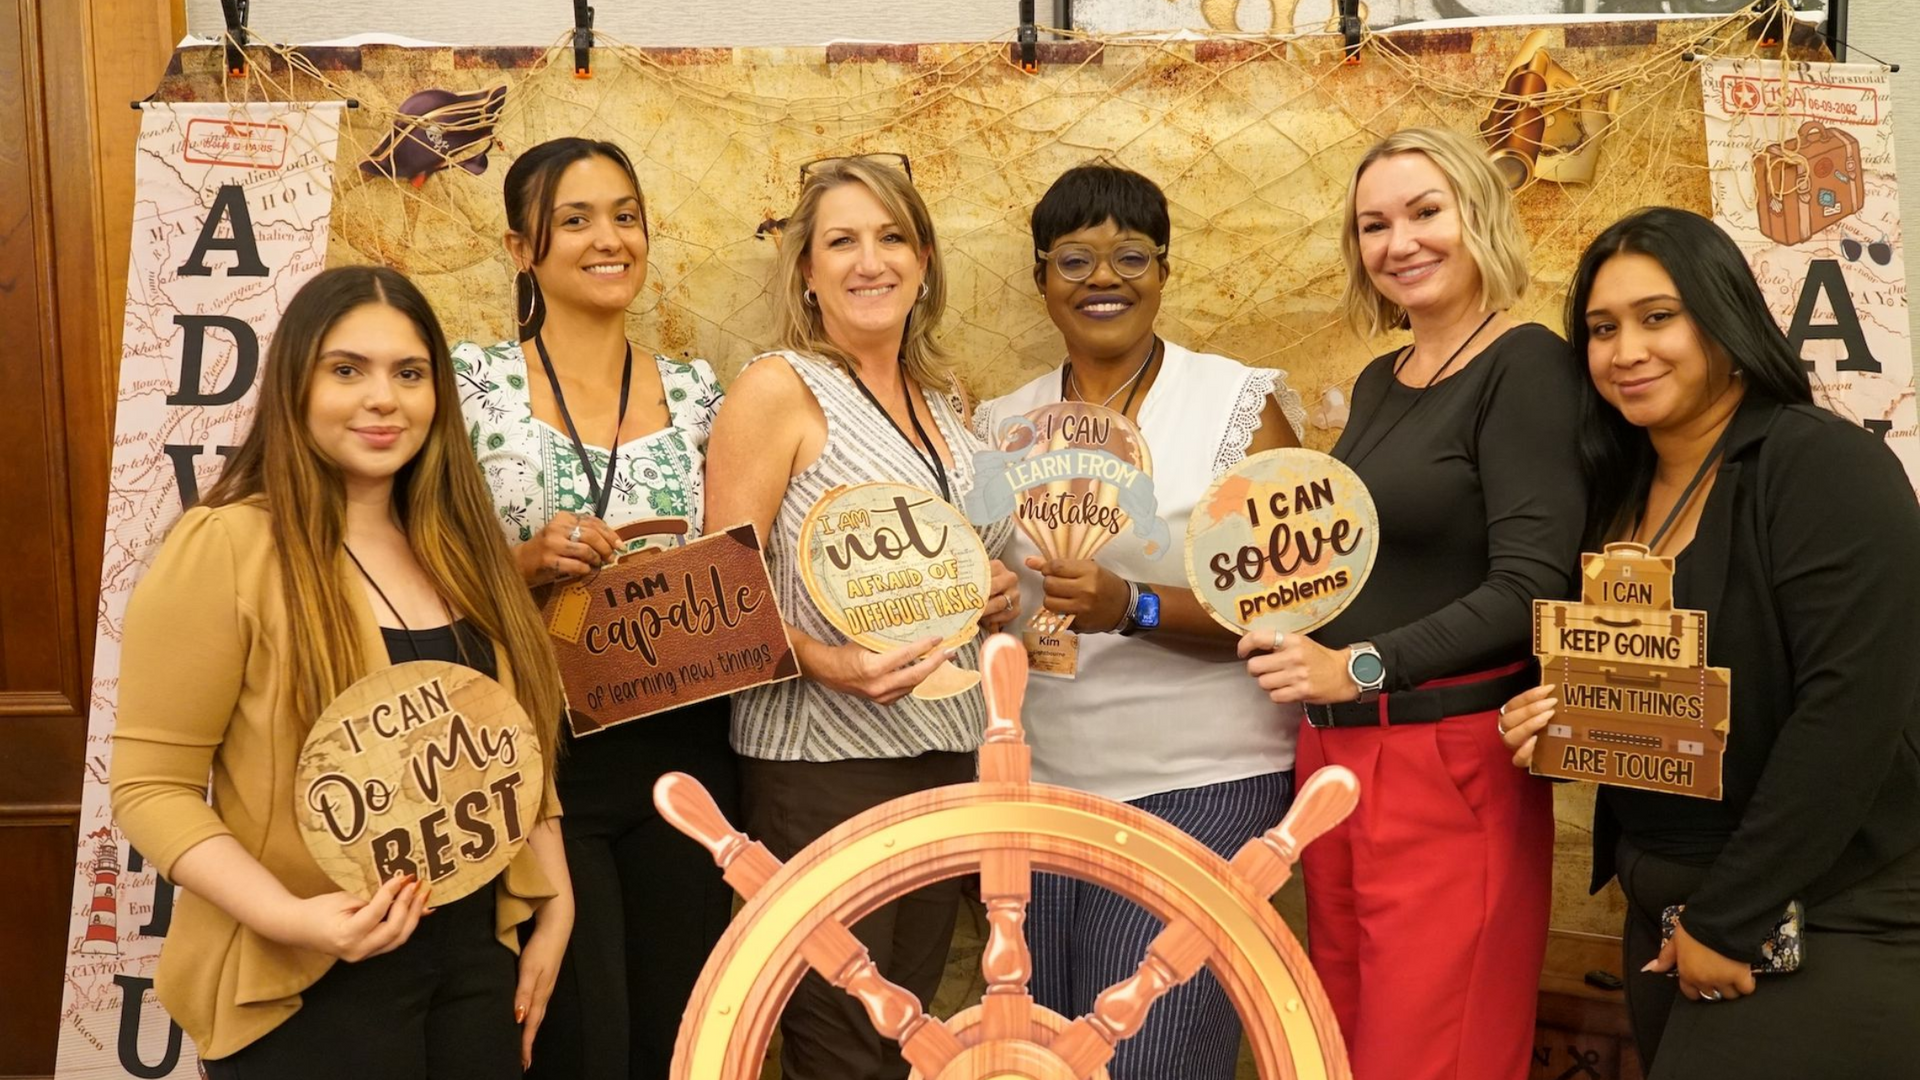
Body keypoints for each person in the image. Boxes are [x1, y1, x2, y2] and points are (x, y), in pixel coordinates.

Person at [110, 266, 573, 1078]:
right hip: (307, 978)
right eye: (347, 369)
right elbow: (151, 788)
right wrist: (292, 918)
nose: (383, 398)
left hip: (474, 960)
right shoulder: (227, 548)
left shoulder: (461, 549)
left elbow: (510, 743)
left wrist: (557, 901)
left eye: (409, 373)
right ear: (296, 383)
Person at [1498, 207, 1920, 1079]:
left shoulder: (1821, 464)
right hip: (1667, 916)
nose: (1626, 351)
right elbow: (1659, 694)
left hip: (1823, 911)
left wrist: (1729, 918)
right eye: (1602, 329)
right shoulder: (1616, 491)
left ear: (1726, 322)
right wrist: (1560, 725)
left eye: (1658, 317)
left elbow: (1850, 713)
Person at [1237, 126, 1586, 1080]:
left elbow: (1532, 587)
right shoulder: (1379, 381)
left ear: (1478, 214)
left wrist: (1356, 665)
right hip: (1336, 758)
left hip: (1445, 758)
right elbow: (1368, 563)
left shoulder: (1526, 365)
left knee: (1432, 1053)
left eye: (1427, 212)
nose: (1401, 243)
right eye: (1374, 224)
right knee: (1338, 1047)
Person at [971, 161, 1305, 1080]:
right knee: (1042, 1060)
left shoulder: (1234, 406)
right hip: (1040, 795)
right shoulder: (1001, 424)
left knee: (1147, 1060)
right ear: (1042, 278)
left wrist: (1135, 606)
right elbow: (984, 602)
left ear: (1164, 270)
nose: (1104, 280)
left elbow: (1288, 609)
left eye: (1130, 257)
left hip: (1202, 785)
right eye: (1075, 260)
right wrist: (983, 601)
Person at [705, 153, 1019, 1080]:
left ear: (924, 261)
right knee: (840, 1041)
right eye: (842, 241)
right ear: (806, 269)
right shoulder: (779, 389)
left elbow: (965, 566)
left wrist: (994, 590)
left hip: (945, 754)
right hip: (822, 767)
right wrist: (829, 662)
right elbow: (718, 598)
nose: (870, 261)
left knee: (906, 1036)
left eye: (892, 238)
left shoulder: (947, 404)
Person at [451, 136, 736, 1080]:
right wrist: (524, 562)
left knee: (681, 1034)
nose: (608, 239)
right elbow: (414, 559)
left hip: (686, 748)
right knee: (581, 1036)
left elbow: (744, 557)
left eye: (625, 216)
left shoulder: (698, 391)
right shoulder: (470, 385)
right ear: (520, 249)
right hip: (543, 750)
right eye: (574, 220)